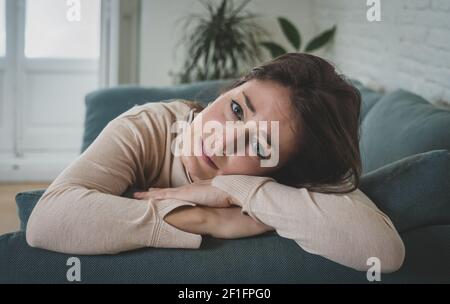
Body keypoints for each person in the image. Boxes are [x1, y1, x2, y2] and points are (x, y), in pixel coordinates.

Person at [26, 53, 405, 272]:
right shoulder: (149, 127)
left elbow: (382, 252)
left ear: (284, 172)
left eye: (259, 147)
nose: (221, 140)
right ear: (228, 90)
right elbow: (47, 219)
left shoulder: (284, 181)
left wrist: (235, 187)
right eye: (237, 108)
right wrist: (206, 220)